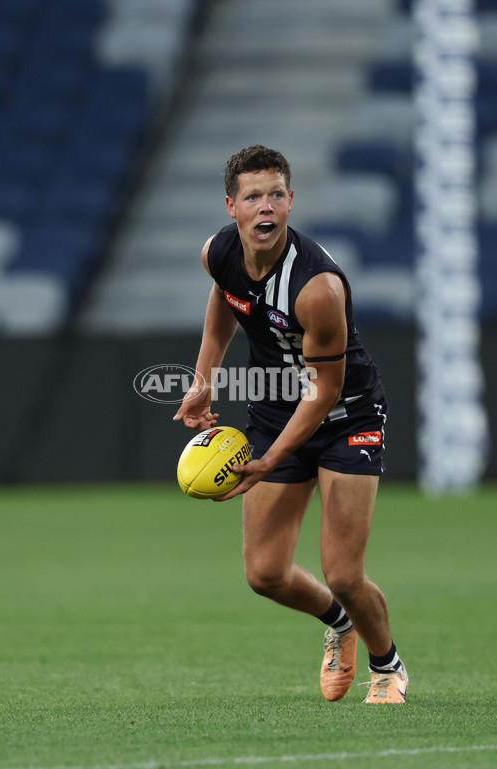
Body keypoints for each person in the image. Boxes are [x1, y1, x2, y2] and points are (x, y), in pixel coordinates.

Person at [173, 145, 408, 704]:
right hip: (276, 409)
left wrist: (272, 459)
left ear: (291, 201)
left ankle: (387, 667)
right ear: (231, 206)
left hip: (346, 416)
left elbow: (324, 391)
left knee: (345, 574)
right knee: (265, 573)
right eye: (253, 197)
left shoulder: (317, 288)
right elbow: (226, 301)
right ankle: (341, 625)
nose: (265, 208)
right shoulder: (220, 253)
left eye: (276, 194)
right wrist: (204, 379)